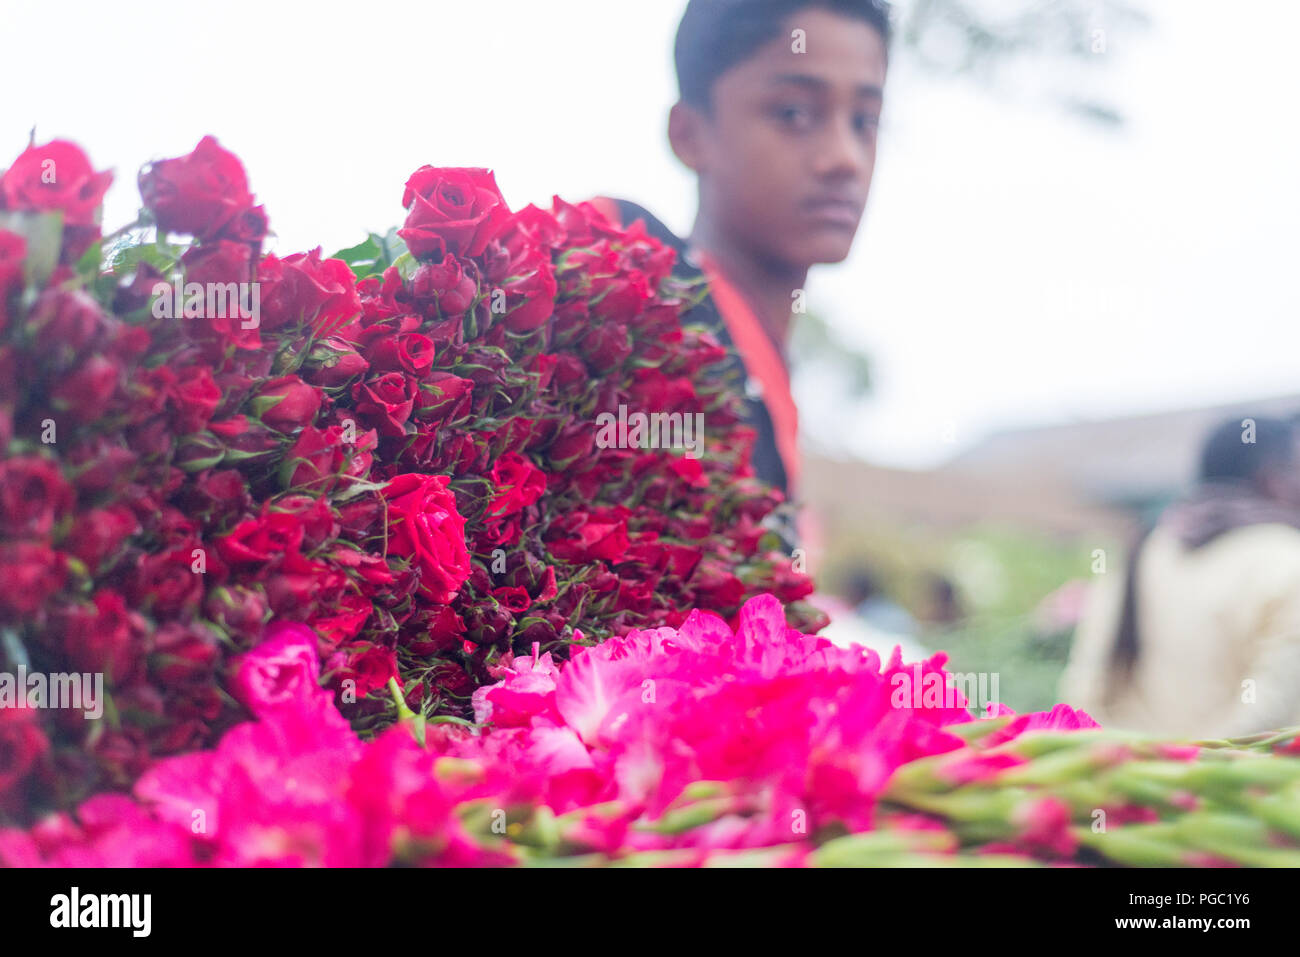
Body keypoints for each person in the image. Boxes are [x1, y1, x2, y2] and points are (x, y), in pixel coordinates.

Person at [588, 0, 891, 535]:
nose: (846, 157)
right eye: (795, 113)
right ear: (688, 135)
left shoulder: (770, 379)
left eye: (865, 121)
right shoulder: (630, 280)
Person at [1061, 416, 1300, 738]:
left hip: (1129, 774)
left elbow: (1086, 687)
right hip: (1230, 783)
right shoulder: (1287, 556)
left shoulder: (1145, 547)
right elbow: (1274, 709)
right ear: (1273, 478)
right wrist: (1196, 769)